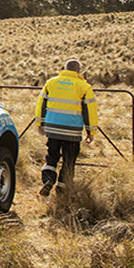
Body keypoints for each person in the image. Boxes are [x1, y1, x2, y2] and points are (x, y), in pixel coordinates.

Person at [34, 59, 98, 196]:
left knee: (52, 156)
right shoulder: (84, 87)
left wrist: (40, 123)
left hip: (53, 128)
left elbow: (41, 104)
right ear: (79, 70)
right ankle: (62, 189)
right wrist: (90, 131)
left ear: (64, 68)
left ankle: (48, 179)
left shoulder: (51, 83)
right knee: (69, 160)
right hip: (72, 130)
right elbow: (89, 111)